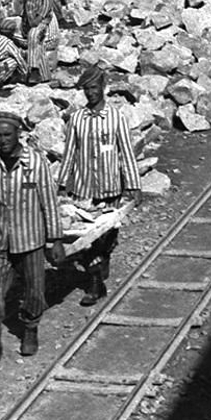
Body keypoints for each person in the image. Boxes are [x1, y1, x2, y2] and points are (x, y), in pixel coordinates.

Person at [0, 111, 64, 366]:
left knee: (34, 292)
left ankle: (30, 328)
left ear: (18, 134)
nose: (3, 140)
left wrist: (55, 239)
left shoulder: (35, 162)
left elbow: (49, 202)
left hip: (30, 240)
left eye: (7, 135)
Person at [60, 66, 142, 307]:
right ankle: (95, 285)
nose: (91, 93)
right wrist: (62, 184)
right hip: (84, 190)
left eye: (94, 88)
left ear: (103, 88)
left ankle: (103, 257)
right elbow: (69, 154)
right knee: (88, 237)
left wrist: (134, 185)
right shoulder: (77, 119)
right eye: (86, 89)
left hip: (110, 188)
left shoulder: (116, 118)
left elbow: (126, 153)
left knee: (107, 233)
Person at [19, 0, 59, 84]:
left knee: (33, 36)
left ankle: (34, 70)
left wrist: (40, 17)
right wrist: (24, 16)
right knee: (37, 44)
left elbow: (48, 0)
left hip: (41, 16)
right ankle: (45, 76)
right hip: (29, 16)